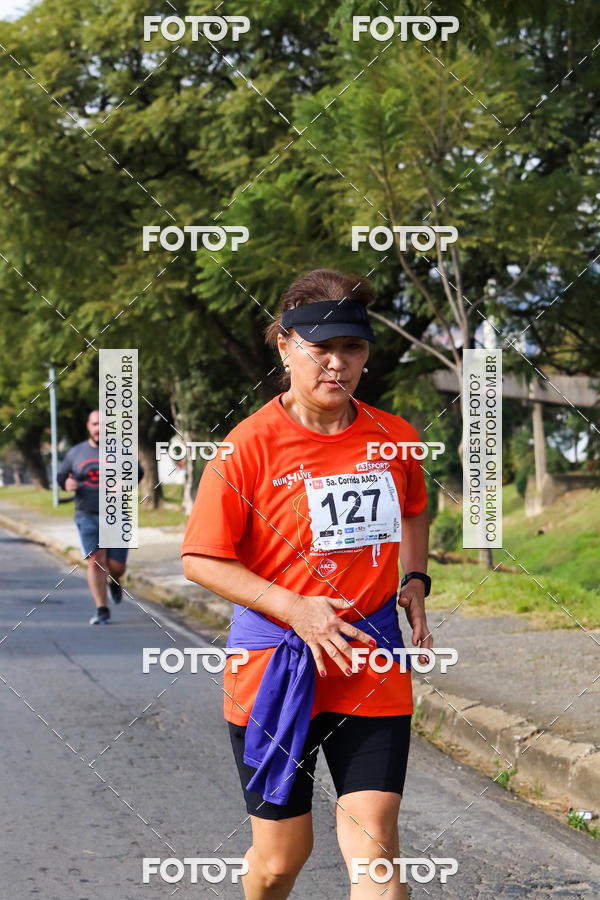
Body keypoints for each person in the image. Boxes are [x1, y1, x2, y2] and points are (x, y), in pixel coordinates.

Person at [181, 268, 433, 900]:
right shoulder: (247, 448)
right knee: (281, 860)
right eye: (322, 349)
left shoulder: (395, 438)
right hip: (274, 668)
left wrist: (415, 579)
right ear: (285, 344)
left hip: (368, 660)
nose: (338, 365)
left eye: (353, 349)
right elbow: (200, 559)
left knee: (374, 840)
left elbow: (413, 509)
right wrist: (297, 608)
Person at [57, 409, 144, 624]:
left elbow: (138, 472)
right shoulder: (75, 453)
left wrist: (126, 482)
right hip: (86, 514)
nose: (99, 428)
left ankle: (114, 580)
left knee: (116, 567)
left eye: (104, 424)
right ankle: (101, 609)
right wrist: (66, 484)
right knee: (95, 560)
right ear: (89, 426)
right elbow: (61, 476)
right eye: (95, 424)